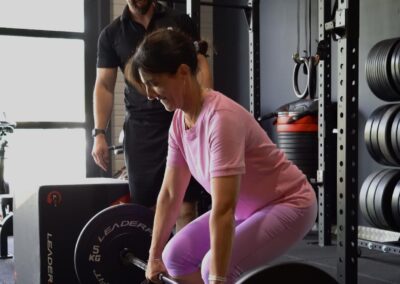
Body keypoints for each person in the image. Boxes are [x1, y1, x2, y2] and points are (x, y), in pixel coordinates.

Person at [125, 28, 318, 284]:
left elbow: (224, 209)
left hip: (288, 203)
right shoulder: (179, 123)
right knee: (173, 257)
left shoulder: (221, 119)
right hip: (245, 208)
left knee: (213, 269)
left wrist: (218, 278)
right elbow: (171, 194)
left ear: (183, 72)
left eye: (154, 83)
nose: (149, 94)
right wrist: (154, 256)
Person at [91, 0, 212, 231]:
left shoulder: (179, 21)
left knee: (186, 206)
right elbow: (104, 86)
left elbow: (199, 65)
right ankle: (155, 263)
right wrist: (98, 134)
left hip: (181, 120)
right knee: (147, 208)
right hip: (141, 130)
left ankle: (182, 265)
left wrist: (205, 112)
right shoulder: (112, 34)